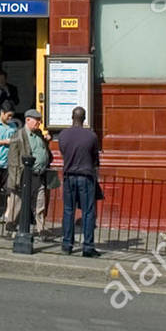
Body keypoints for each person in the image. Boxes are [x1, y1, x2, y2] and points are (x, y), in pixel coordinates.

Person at [55, 106, 100, 257]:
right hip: (85, 176)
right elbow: (95, 158)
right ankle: (87, 246)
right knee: (87, 212)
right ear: (84, 118)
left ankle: (67, 244)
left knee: (68, 210)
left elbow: (62, 152)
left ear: (72, 117)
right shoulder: (91, 136)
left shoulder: (63, 135)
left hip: (68, 175)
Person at [4, 109, 52, 234]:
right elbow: (13, 159)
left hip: (39, 175)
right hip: (23, 175)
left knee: (39, 203)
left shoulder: (39, 134)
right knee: (17, 203)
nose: (39, 123)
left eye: (40, 120)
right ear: (28, 120)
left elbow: (44, 151)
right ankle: (11, 225)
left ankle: (41, 228)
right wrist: (14, 179)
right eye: (37, 120)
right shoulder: (18, 135)